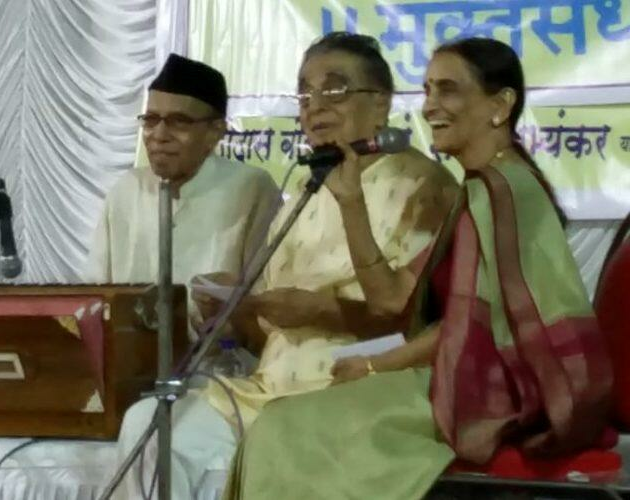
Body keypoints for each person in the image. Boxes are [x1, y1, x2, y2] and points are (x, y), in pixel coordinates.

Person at [222, 37, 612, 500]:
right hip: (455, 370)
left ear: (500, 105)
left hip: (494, 388)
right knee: (283, 422)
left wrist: (374, 365)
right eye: (427, 91)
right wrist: (351, 203)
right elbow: (392, 299)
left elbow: (470, 327)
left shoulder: (506, 189)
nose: (429, 107)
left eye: (448, 90)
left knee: (291, 428)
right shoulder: (480, 187)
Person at [116, 33, 458, 499]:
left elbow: (422, 323)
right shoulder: (306, 187)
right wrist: (238, 309)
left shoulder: (422, 186)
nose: (316, 106)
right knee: (151, 423)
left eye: (334, 89)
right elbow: (269, 334)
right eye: (305, 93)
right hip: (266, 387)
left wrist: (321, 312)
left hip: (354, 389)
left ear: (380, 103)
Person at [84, 54, 281, 289]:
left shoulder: (251, 189)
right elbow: (94, 291)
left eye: (178, 121)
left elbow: (268, 292)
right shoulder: (127, 189)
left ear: (215, 131)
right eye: (151, 120)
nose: (159, 135)